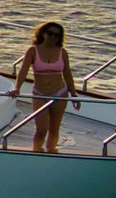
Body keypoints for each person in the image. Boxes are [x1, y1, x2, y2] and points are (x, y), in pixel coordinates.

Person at [7, 20, 81, 153]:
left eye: (56, 35)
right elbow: (23, 71)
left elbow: (67, 74)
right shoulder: (33, 51)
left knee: (54, 129)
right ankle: (37, 152)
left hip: (60, 93)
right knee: (41, 130)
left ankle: (51, 152)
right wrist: (17, 87)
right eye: (50, 33)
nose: (53, 37)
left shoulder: (62, 52)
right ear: (43, 33)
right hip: (40, 94)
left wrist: (74, 95)